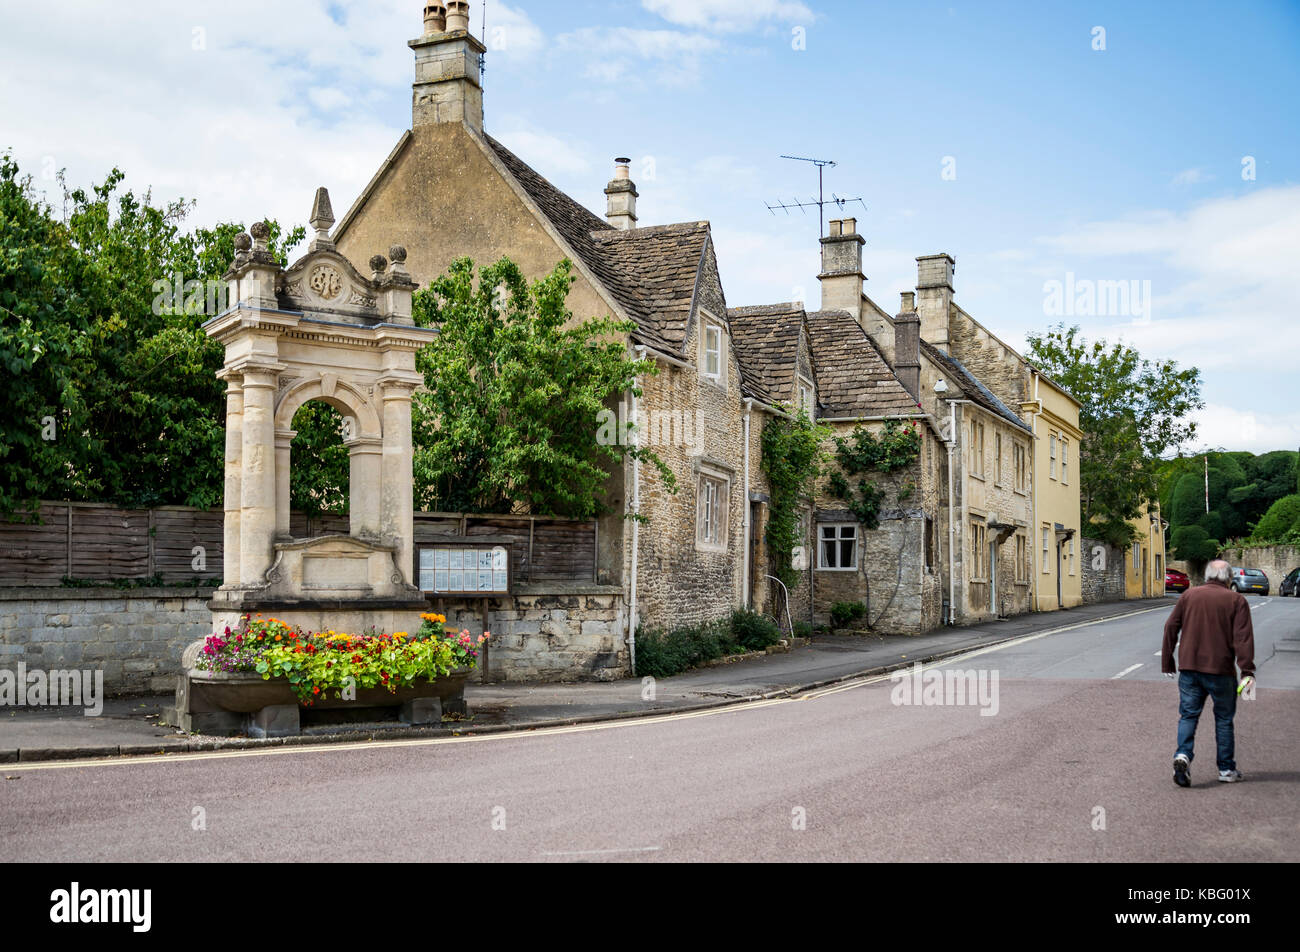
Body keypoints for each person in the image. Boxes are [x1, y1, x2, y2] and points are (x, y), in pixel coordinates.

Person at [1161, 559, 1255, 787]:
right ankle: (1226, 768)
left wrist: (1167, 661)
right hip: (1221, 670)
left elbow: (1170, 626)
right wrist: (1247, 670)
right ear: (1229, 577)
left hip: (1189, 668)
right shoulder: (1236, 600)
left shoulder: (1189, 596)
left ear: (1207, 576)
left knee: (1189, 715)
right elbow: (1242, 638)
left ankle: (1182, 755)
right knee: (1223, 719)